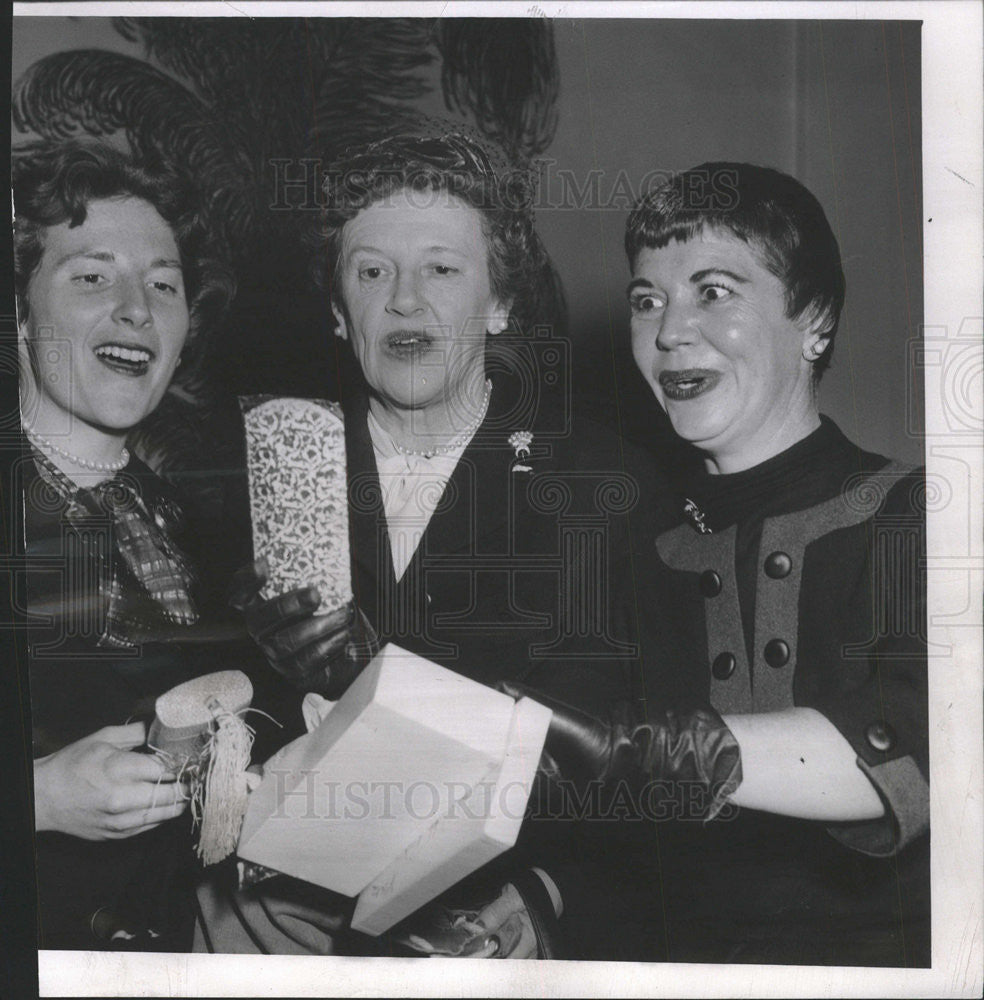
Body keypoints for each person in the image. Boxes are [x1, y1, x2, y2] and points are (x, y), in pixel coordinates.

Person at [216, 126, 674, 959]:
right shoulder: (271, 481)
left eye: (441, 267)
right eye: (371, 271)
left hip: (507, 928)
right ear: (336, 309)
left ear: (498, 304)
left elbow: (616, 767)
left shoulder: (602, 485)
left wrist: (538, 899)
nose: (403, 299)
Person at [505, 162, 930, 966]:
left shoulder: (916, 515)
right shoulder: (632, 546)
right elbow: (593, 832)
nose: (669, 331)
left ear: (812, 318)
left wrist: (669, 755)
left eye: (714, 290)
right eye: (646, 300)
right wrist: (532, 897)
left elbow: (930, 741)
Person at [15, 140, 237, 950]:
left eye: (164, 285)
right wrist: (35, 799)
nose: (137, 307)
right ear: (19, 310)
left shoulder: (201, 529)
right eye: (92, 276)